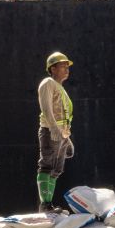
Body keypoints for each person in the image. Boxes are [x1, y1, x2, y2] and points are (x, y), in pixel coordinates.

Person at [37, 51, 75, 213]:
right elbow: (46, 107)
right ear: (52, 69)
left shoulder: (60, 88)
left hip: (61, 134)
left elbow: (64, 115)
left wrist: (67, 139)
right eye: (62, 66)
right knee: (47, 166)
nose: (66, 69)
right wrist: (53, 128)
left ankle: (49, 204)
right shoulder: (48, 83)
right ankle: (45, 205)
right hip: (50, 131)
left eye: (67, 66)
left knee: (56, 169)